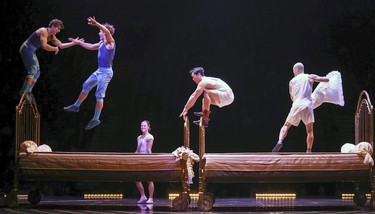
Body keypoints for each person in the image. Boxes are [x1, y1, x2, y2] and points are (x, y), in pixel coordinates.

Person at [63, 17, 116, 130]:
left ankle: (96, 119)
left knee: (99, 95)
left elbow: (106, 31)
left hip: (106, 72)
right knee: (86, 85)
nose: (99, 32)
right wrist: (78, 43)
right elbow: (91, 46)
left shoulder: (111, 43)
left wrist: (96, 23)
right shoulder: (101, 43)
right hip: (99, 70)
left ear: (106, 33)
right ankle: (76, 106)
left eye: (100, 31)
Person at [272, 62, 330, 153]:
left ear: (296, 70)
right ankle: (308, 150)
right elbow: (325, 79)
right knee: (309, 131)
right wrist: (330, 78)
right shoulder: (310, 76)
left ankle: (280, 141)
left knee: (286, 126)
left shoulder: (291, 81)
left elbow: (292, 97)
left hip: (296, 104)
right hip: (307, 104)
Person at [19, 19, 81, 96]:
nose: (58, 31)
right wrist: (54, 48)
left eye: (59, 29)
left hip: (32, 50)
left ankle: (28, 93)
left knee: (37, 73)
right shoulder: (43, 31)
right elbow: (44, 46)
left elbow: (61, 45)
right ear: (52, 26)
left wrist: (73, 43)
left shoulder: (52, 36)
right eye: (57, 28)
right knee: (33, 70)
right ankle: (24, 92)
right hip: (26, 48)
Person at [135, 120, 155, 204]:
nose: (143, 127)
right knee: (136, 179)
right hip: (139, 159)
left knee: (149, 179)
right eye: (141, 126)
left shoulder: (149, 137)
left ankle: (150, 198)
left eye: (144, 126)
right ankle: (143, 196)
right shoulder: (139, 137)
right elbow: (137, 150)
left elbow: (149, 149)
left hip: (146, 159)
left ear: (148, 127)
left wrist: (150, 160)